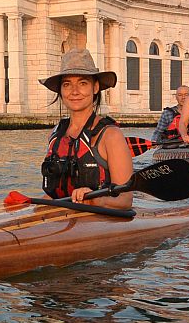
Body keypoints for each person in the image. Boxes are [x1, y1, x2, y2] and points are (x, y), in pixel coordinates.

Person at [39, 49, 133, 209]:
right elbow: (53, 194)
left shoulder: (111, 136)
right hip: (63, 220)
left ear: (95, 87)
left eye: (83, 83)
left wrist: (96, 200)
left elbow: (125, 200)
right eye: (67, 84)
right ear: (60, 90)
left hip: (101, 224)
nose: (74, 91)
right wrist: (27, 205)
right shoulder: (56, 135)